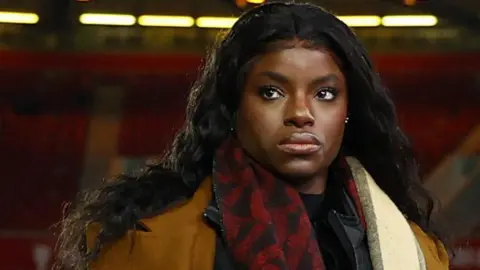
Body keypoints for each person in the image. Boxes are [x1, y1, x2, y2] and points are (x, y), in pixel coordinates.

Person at [55, 2, 450, 270]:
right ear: (233, 106)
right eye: (271, 92)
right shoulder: (145, 247)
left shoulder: (416, 251)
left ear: (349, 111)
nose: (300, 113)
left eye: (325, 94)